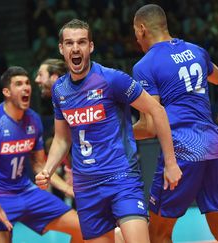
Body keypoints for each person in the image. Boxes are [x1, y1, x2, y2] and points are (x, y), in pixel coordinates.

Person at [35, 19, 181, 243]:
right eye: (70, 43)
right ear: (61, 49)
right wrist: (48, 168)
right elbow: (62, 139)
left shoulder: (112, 79)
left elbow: (157, 111)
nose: (76, 48)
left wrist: (171, 163)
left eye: (82, 42)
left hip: (122, 179)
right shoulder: (60, 90)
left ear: (90, 47)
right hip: (86, 188)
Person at [132, 4, 218, 243]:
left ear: (142, 29)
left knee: (157, 235)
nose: (136, 39)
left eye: (135, 33)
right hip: (212, 143)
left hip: (182, 148)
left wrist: (115, 131)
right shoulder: (196, 50)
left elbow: (149, 127)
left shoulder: (145, 65)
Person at [0, 66, 83, 243]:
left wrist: (69, 190)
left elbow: (39, 166)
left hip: (27, 192)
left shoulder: (34, 120)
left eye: (27, 83)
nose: (26, 87)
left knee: (84, 229)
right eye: (18, 84)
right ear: (6, 91)